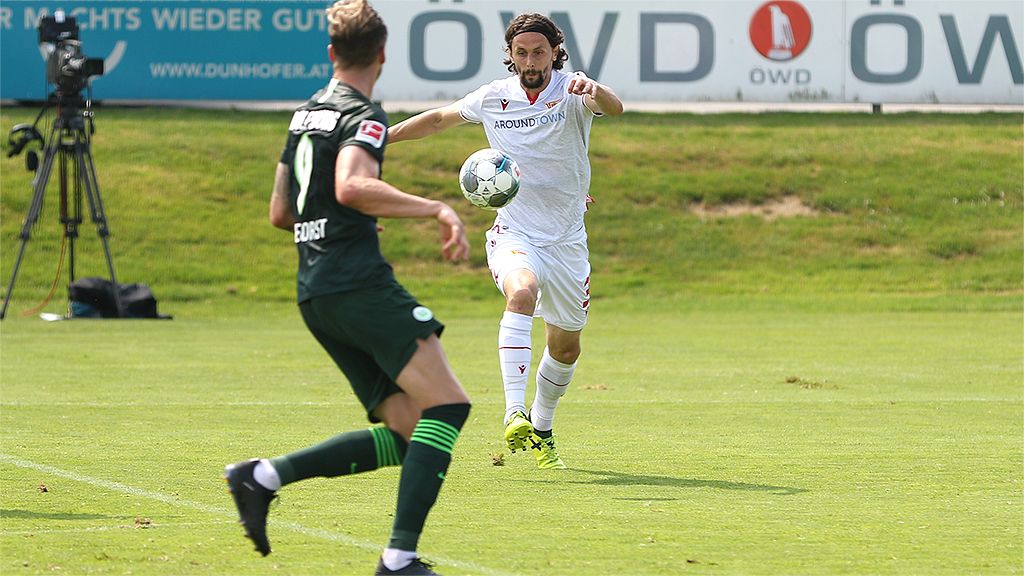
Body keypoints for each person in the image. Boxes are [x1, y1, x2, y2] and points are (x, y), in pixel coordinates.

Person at [223, 1, 471, 574]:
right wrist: (436, 208)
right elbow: (354, 185)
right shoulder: (366, 116)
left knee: (414, 432)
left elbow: (281, 211)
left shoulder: (303, 115)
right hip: (357, 284)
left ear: (332, 53)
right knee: (449, 405)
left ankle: (262, 477)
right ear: (382, 55)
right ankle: (399, 559)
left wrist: (346, 215)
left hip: (316, 290)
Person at [388, 12, 623, 470]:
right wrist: (382, 138)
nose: (531, 60)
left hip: (568, 242)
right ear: (511, 54)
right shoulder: (494, 97)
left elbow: (614, 108)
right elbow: (437, 119)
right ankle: (513, 412)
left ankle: (541, 425)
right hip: (514, 232)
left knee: (566, 347)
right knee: (521, 293)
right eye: (522, 52)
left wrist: (596, 90)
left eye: (539, 51)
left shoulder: (573, 90)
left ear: (555, 50)